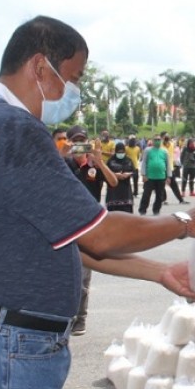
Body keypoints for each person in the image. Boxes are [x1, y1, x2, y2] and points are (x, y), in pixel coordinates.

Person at [0, 15, 195, 389]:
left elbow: (69, 241)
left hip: (4, 341)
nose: (76, 89)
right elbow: (100, 234)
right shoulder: (13, 128)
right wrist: (186, 220)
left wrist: (156, 271)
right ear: (40, 67)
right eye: (76, 77)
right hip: (6, 346)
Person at [64, 125, 118, 336]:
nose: (80, 145)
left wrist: (100, 161)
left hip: (88, 226)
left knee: (84, 277)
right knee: (64, 274)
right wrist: (61, 155)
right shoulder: (64, 163)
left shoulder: (94, 165)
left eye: (82, 141)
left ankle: (80, 319)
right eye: (75, 141)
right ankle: (65, 317)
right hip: (64, 224)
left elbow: (113, 182)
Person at [139, 134, 171, 215]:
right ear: (152, 141)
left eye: (159, 139)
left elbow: (168, 164)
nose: (157, 141)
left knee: (160, 196)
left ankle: (156, 210)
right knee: (146, 194)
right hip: (149, 177)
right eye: (155, 139)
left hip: (161, 177)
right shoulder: (147, 150)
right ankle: (142, 210)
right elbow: (144, 163)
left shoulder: (165, 151)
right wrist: (143, 174)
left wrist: (168, 176)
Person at [160, 131, 188, 205]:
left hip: (170, 168)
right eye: (166, 136)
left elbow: (172, 155)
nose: (167, 137)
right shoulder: (159, 146)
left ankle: (181, 200)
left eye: (168, 136)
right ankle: (163, 199)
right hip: (161, 168)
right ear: (162, 137)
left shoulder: (172, 145)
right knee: (161, 184)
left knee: (174, 185)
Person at [106, 142, 135, 213]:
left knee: (127, 214)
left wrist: (128, 174)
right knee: (114, 215)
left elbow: (134, 172)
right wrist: (115, 175)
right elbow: (105, 173)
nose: (121, 154)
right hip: (113, 191)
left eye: (122, 152)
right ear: (115, 151)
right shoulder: (110, 161)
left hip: (126, 190)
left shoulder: (129, 160)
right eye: (119, 152)